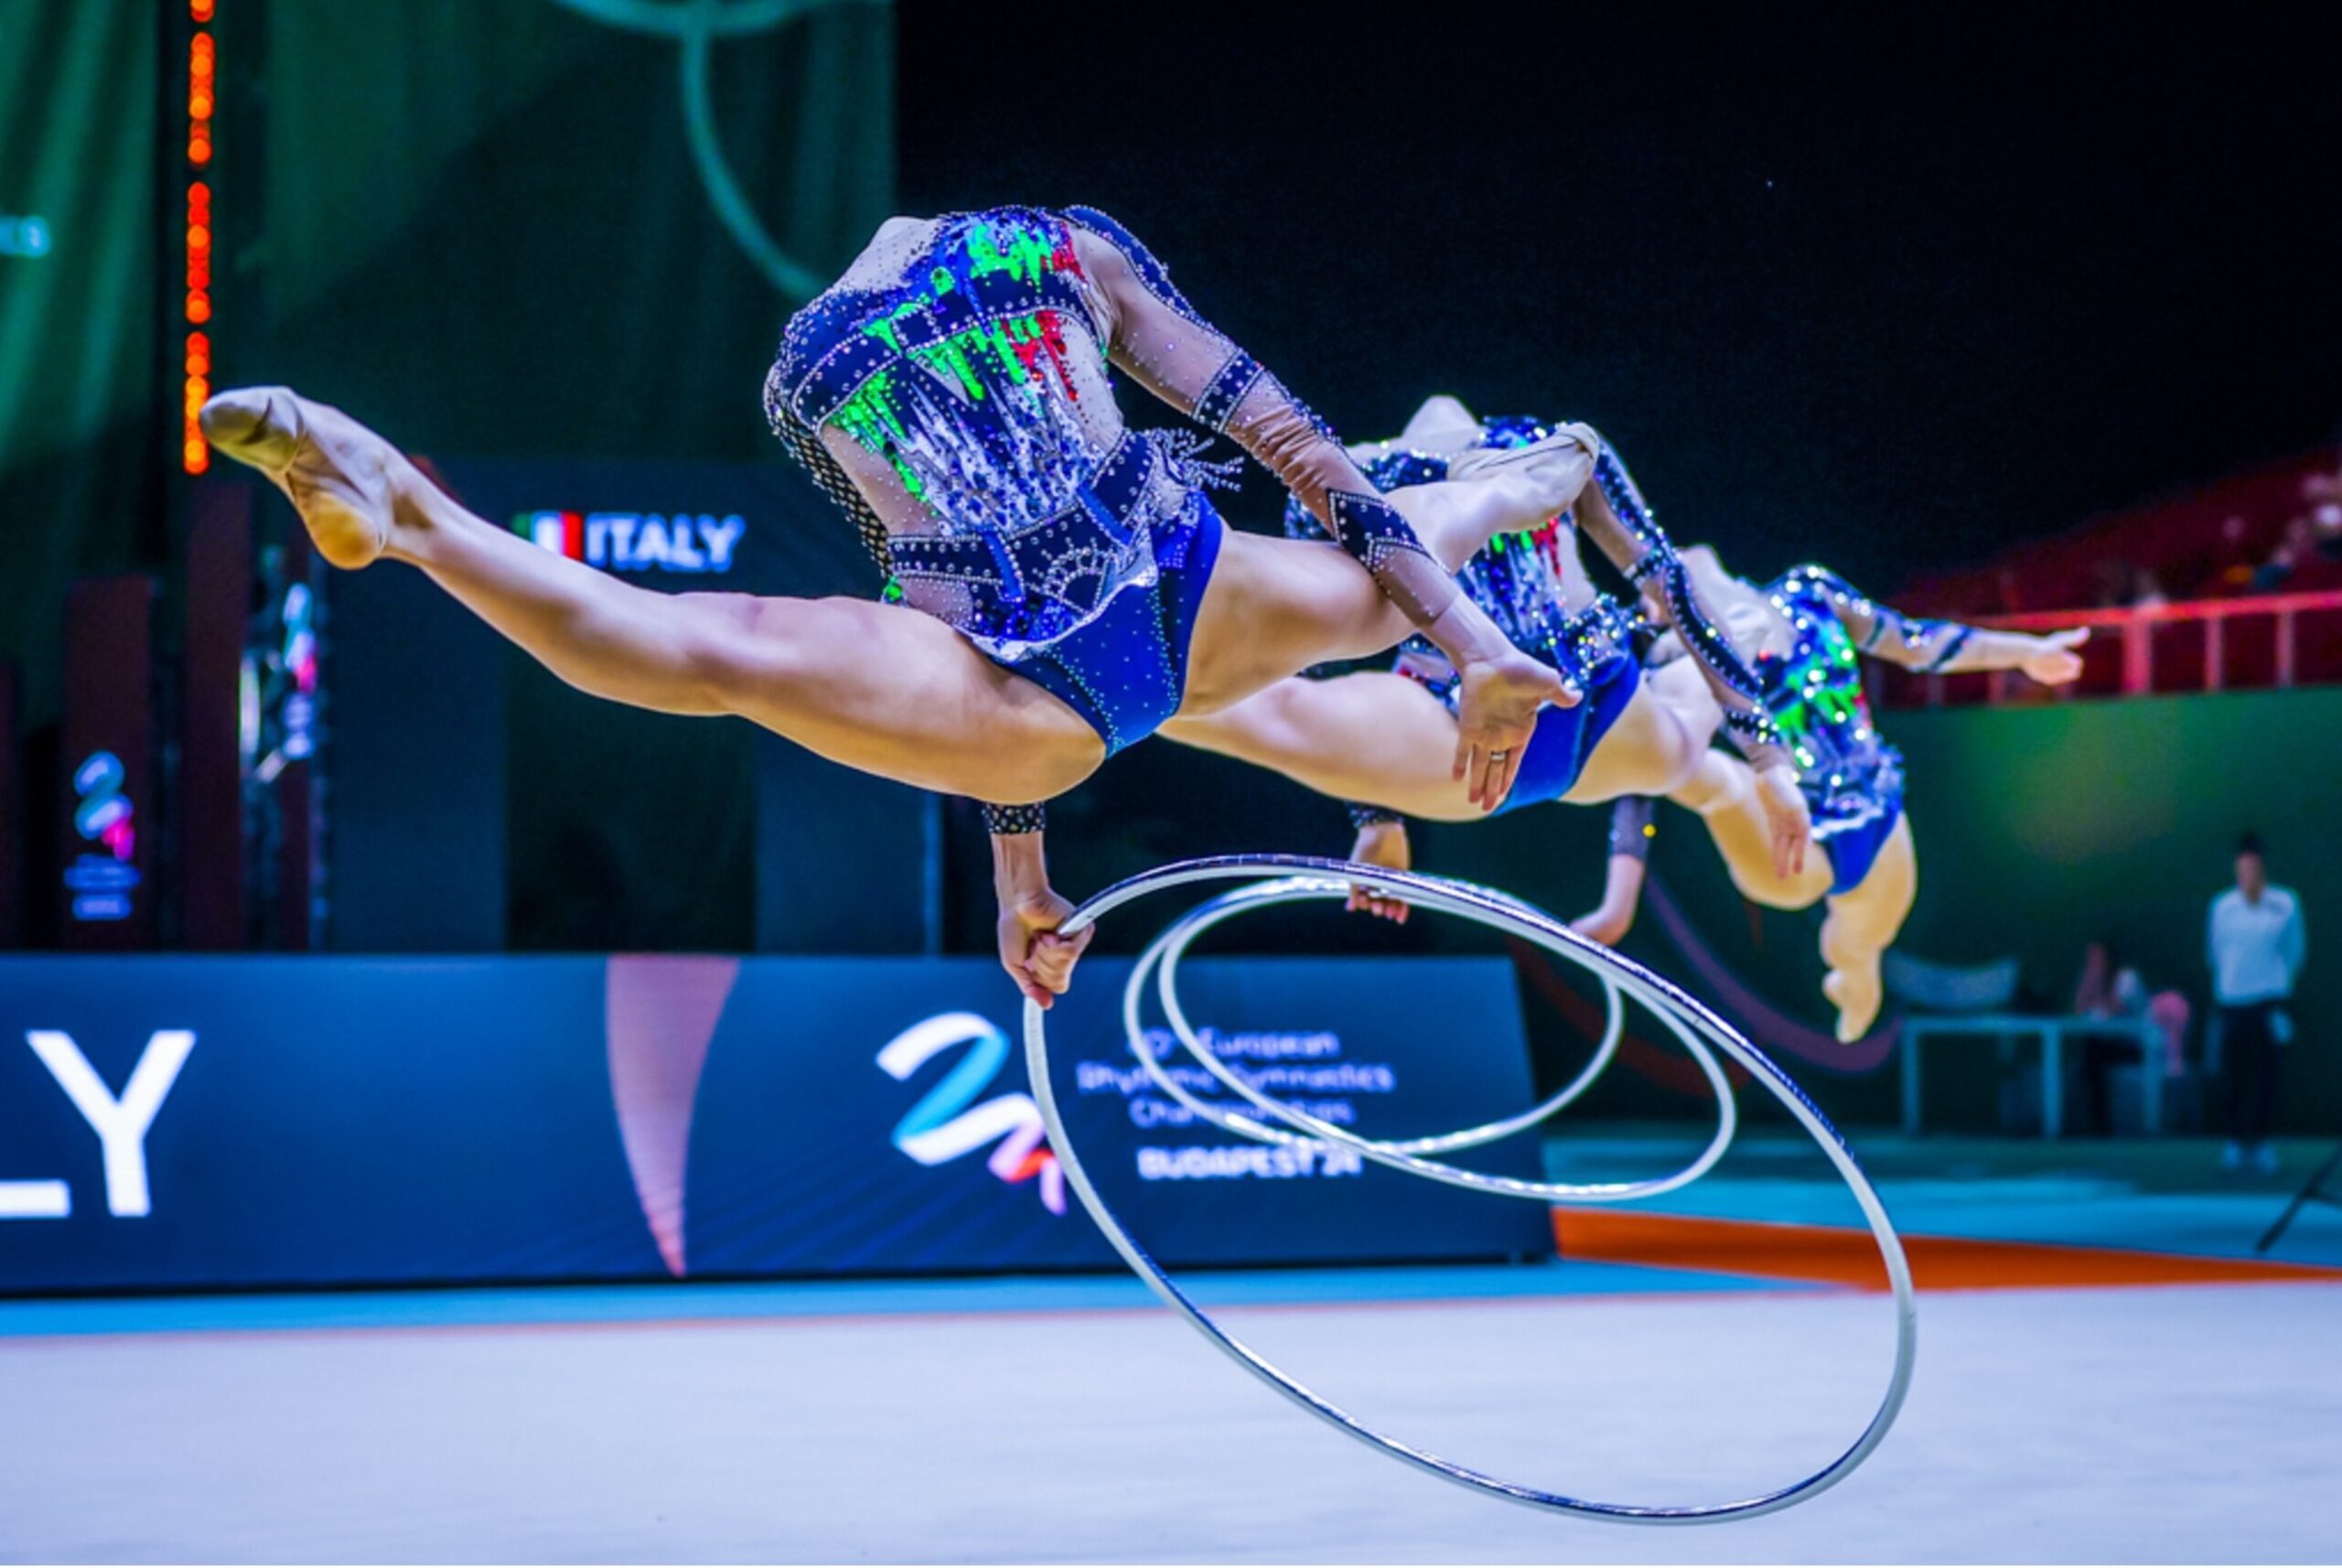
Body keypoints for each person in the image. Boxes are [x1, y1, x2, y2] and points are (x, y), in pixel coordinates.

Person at [199, 209, 1595, 1008]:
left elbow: (935, 593)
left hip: (1035, 690)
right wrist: (1466, 640)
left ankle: (415, 517)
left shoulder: (807, 365)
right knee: (1373, 576)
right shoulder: (1056, 243)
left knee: (717, 648)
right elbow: (1287, 439)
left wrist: (1021, 874)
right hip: (1182, 583)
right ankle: (1494, 496)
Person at [1156, 398, 1814, 908]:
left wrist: (1770, 759)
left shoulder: (1543, 450)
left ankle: (1084, 672)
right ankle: (1087, 676)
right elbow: (1669, 586)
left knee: (1682, 748)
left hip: (1566, 707)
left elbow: (1670, 583)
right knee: (1252, 709)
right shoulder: (1361, 483)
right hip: (1508, 715)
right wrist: (1377, 817)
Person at [1570, 548, 2089, 1041]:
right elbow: (1649, 777)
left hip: (1876, 813)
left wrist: (2026, 651)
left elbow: (1912, 641)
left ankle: (1855, 979)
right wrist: (1618, 904)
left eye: (1649, 594)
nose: (1646, 604)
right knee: (1708, 777)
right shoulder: (1687, 662)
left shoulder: (1810, 594)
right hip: (1788, 845)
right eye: (1648, 604)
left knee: (1858, 949)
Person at [2208, 832, 2308, 1172]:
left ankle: (2263, 1144)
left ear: (2262, 870)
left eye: (2254, 869)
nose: (2248, 876)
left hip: (2269, 1004)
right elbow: (2216, 952)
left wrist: (2278, 988)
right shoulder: (2222, 907)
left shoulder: (2285, 904)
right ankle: (2235, 1143)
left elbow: (2295, 951)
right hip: (2233, 1004)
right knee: (2233, 1077)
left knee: (2267, 1077)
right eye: (2242, 870)